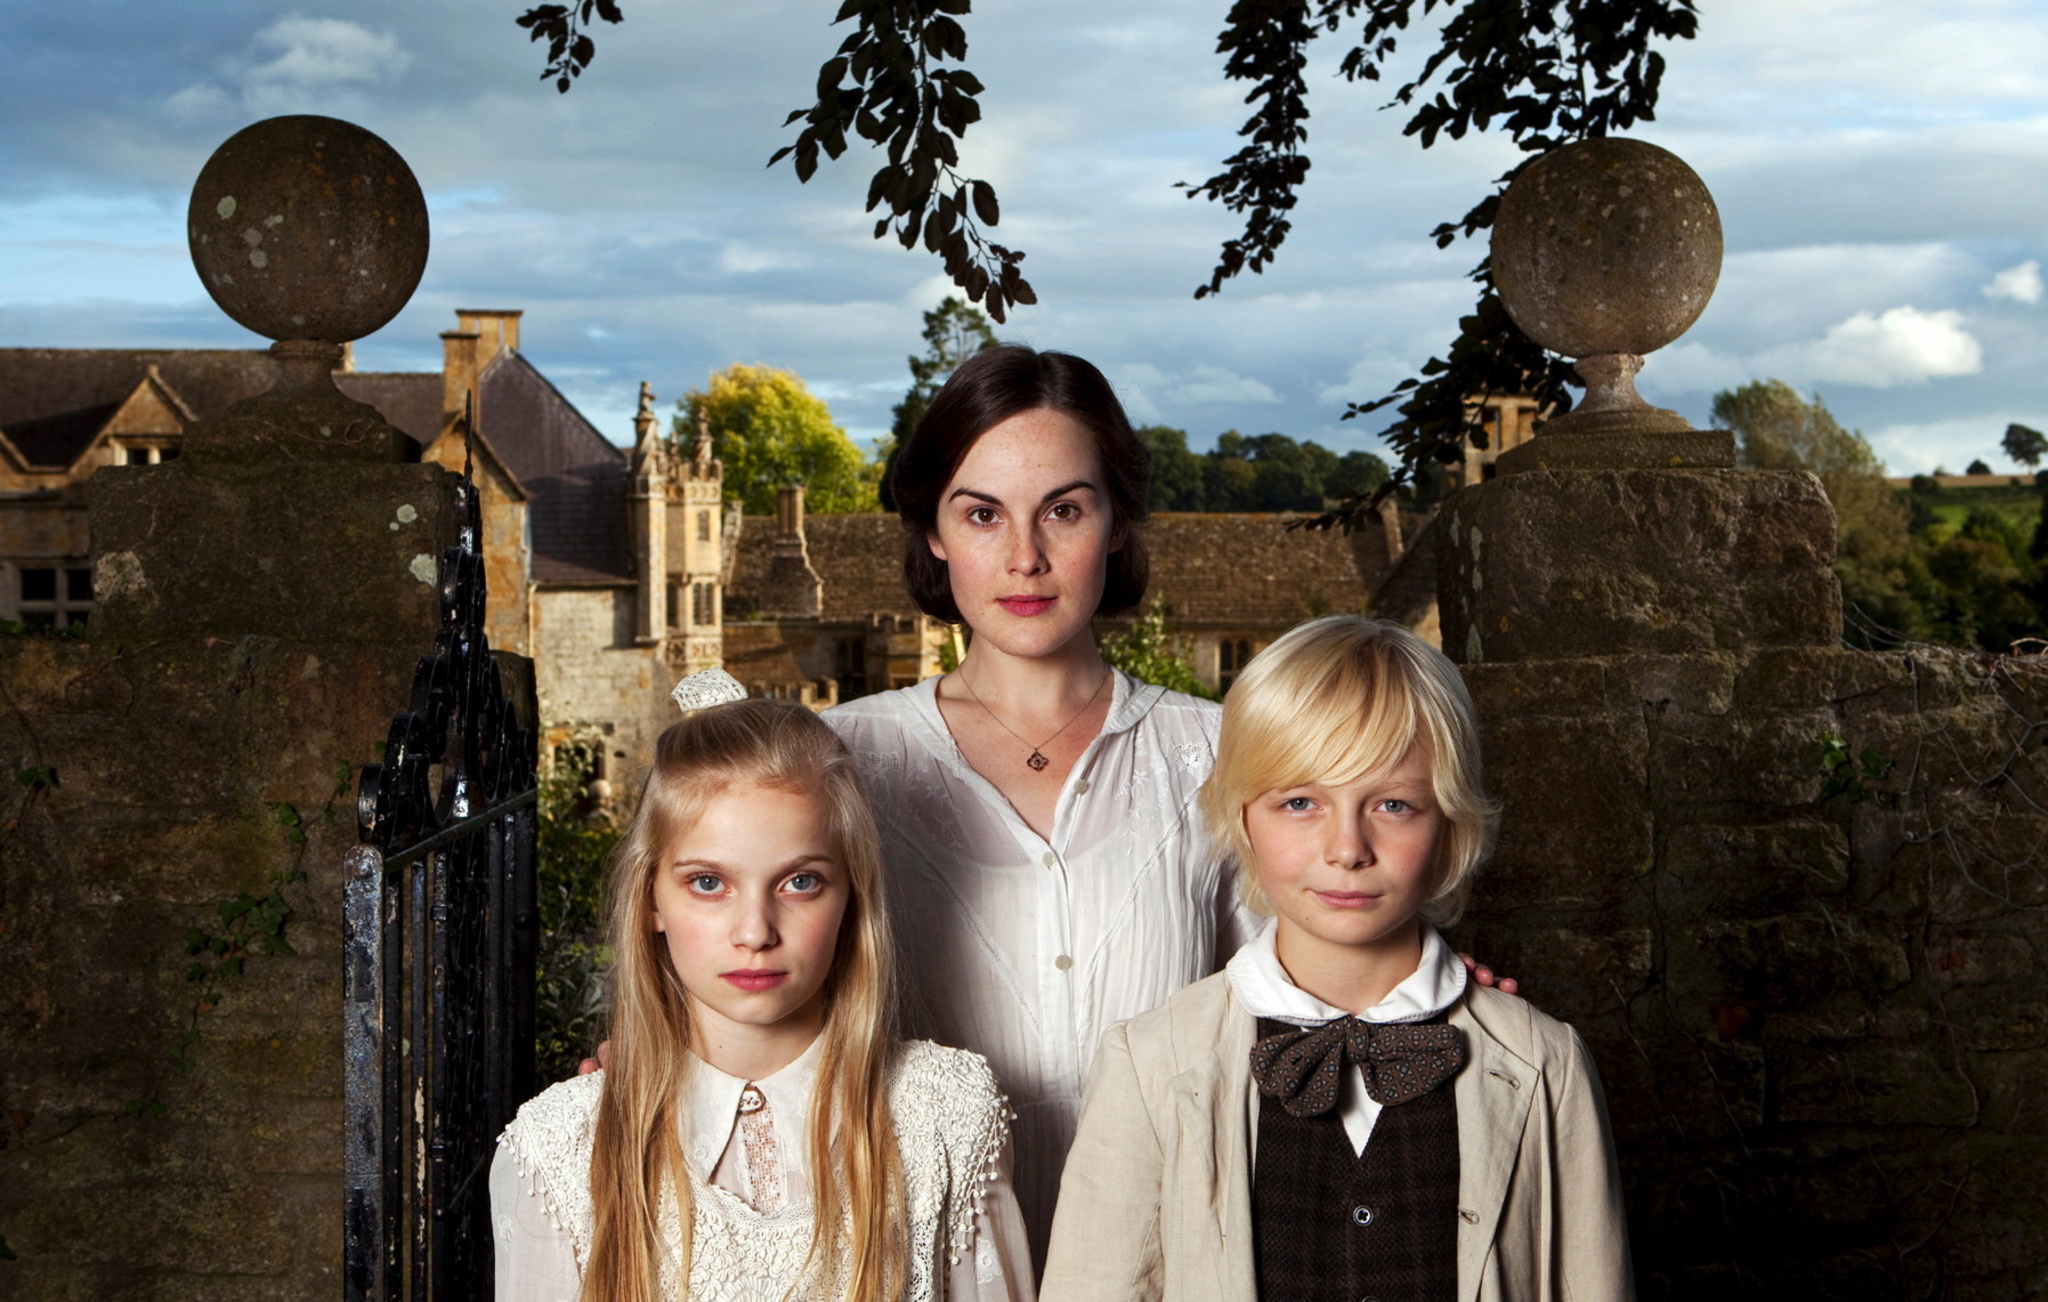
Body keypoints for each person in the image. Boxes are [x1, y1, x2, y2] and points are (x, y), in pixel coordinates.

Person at [822, 345, 1516, 1270]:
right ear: (934, 533)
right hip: (921, 1261)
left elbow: (1309, 978)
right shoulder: (838, 761)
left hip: (1180, 1253)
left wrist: (1428, 993)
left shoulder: (1224, 751)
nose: (1025, 556)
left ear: (1114, 523)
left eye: (1063, 509)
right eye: (982, 513)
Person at [1039, 616, 1631, 1302]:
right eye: (1299, 802)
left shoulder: (1543, 1063)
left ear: (1449, 825)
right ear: (1242, 819)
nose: (1346, 848)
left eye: (1393, 804)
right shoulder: (1151, 1065)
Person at [493, 686, 1032, 1302]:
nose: (755, 931)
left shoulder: (947, 1116)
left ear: (851, 897)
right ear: (650, 901)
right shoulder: (556, 1151)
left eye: (800, 882)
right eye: (708, 882)